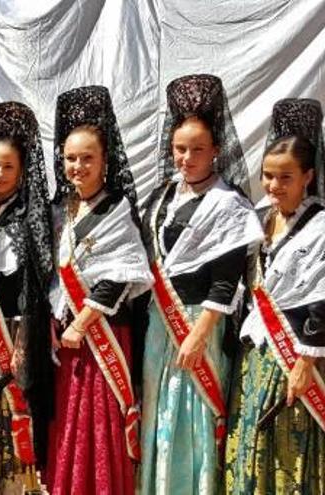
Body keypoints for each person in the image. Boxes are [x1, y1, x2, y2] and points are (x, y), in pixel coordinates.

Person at [139, 74, 263, 495]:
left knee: (191, 417)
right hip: (161, 323)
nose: (186, 157)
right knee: (160, 414)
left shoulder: (229, 206)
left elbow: (226, 283)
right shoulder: (160, 199)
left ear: (215, 151)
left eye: (197, 149)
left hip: (200, 326)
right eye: (179, 148)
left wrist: (199, 334)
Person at [44, 86, 153, 495]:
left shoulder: (116, 208)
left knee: (100, 420)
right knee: (72, 418)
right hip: (70, 336)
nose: (78, 166)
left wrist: (83, 322)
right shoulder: (62, 210)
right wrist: (59, 322)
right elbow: (56, 276)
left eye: (87, 158)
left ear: (105, 161)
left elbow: (121, 275)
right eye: (71, 158)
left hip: (102, 332)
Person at [225, 98, 325, 494]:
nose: (273, 186)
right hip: (258, 356)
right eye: (268, 176)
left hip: (301, 356)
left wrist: (306, 361)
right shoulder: (262, 220)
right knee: (251, 443)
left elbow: (321, 298)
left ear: (308, 176)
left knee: (290, 447)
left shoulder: (319, 226)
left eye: (285, 178)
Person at [0, 101, 54, 491]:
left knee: (16, 406)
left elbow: (34, 287)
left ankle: (21, 485)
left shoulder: (30, 216)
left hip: (18, 329)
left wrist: (21, 343)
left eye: (8, 167)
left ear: (23, 169)